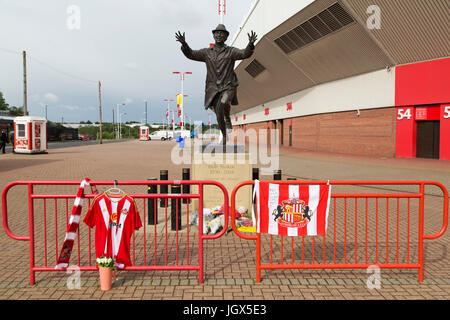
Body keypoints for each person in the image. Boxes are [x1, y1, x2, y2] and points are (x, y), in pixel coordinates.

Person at [176, 25, 257, 144]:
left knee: (224, 102)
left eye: (222, 33)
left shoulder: (231, 51)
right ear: (213, 35)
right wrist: (184, 44)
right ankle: (225, 135)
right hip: (213, 88)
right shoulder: (207, 52)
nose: (219, 35)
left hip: (228, 85)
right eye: (217, 33)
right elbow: (191, 54)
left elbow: (244, 54)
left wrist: (250, 45)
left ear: (226, 36)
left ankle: (228, 118)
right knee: (218, 114)